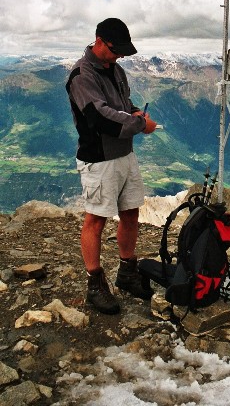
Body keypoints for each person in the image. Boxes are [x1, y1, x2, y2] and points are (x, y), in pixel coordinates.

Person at [66, 18, 157, 314]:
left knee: (130, 213)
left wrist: (133, 112)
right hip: (99, 160)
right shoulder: (82, 75)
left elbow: (124, 103)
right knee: (96, 220)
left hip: (125, 155)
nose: (119, 57)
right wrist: (140, 124)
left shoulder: (115, 70)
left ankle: (127, 272)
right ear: (99, 41)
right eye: (116, 50)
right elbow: (100, 118)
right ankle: (95, 284)